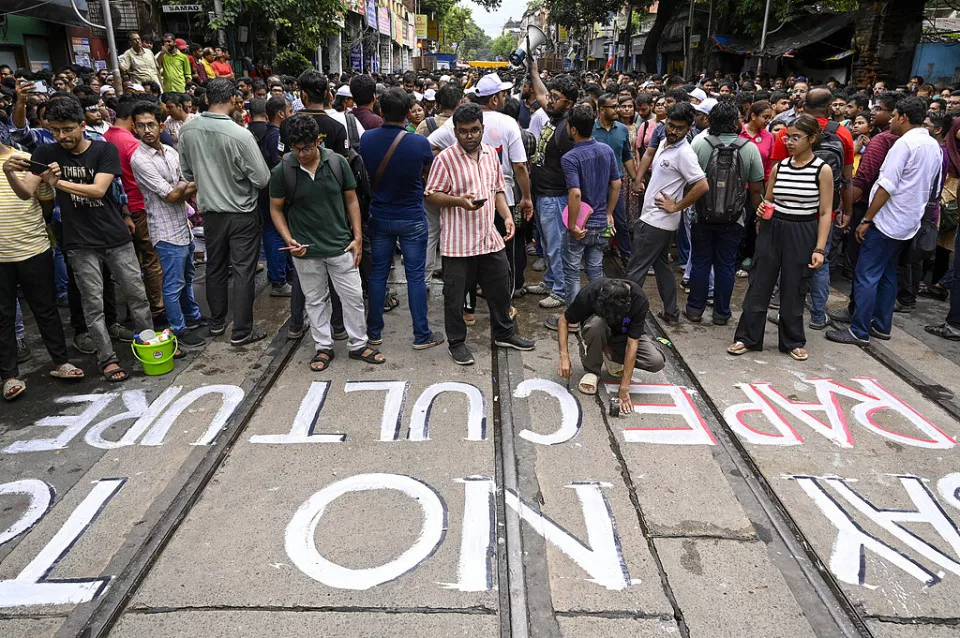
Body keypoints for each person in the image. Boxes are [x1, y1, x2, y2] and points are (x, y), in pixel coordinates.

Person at [21, 98, 153, 381]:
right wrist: (11, 173)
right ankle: (107, 358)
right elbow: (25, 191)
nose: (62, 137)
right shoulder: (45, 151)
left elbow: (98, 190)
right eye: (55, 130)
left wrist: (57, 183)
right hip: (79, 242)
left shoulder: (104, 150)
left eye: (68, 129)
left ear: (82, 125)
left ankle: (149, 347)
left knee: (137, 295)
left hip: (114, 237)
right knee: (92, 305)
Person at [269, 114, 383, 370]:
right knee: (315, 299)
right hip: (305, 250)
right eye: (296, 149)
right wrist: (289, 239)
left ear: (317, 141)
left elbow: (351, 200)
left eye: (307, 148)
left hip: (340, 245)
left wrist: (357, 238)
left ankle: (358, 344)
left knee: (352, 296)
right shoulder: (283, 171)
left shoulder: (336, 163)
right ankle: (323, 346)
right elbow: (275, 209)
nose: (301, 154)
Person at [826, 98, 942, 346]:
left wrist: (867, 218)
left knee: (866, 274)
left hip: (888, 219)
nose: (890, 120)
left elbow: (886, 186)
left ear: (902, 117)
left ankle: (859, 330)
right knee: (888, 273)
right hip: (909, 221)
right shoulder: (932, 145)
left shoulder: (904, 144)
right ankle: (881, 324)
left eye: (893, 116)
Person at [425, 102, 535, 365]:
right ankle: (457, 342)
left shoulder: (489, 154)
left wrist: (507, 217)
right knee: (455, 296)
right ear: (455, 131)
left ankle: (504, 332)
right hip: (458, 243)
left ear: (482, 129)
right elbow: (431, 195)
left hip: (488, 237)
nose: (469, 135)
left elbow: (498, 189)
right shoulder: (445, 159)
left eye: (474, 130)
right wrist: (459, 201)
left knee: (499, 287)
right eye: (463, 131)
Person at [728, 115, 833, 361]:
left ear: (812, 139)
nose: (789, 142)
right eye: (787, 137)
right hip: (772, 228)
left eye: (796, 138)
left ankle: (792, 340)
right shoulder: (779, 167)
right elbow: (769, 199)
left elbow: (826, 211)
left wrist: (819, 249)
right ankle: (747, 337)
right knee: (759, 282)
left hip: (803, 230)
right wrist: (764, 210)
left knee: (794, 286)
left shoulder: (822, 169)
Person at [179, 78, 271, 346]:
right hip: (241, 211)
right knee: (244, 270)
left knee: (215, 267)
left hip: (210, 212)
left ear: (207, 99)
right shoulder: (240, 134)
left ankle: (217, 323)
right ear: (233, 100)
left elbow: (187, 173)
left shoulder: (188, 130)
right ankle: (242, 331)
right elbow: (262, 178)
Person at [1, 134, 84, 399]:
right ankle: (9, 377)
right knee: (3, 317)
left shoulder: (26, 160)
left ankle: (61, 362)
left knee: (46, 309)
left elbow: (46, 202)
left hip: (33, 249)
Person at [360, 88, 444, 350]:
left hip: (380, 215)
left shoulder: (367, 139)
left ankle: (374, 332)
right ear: (408, 113)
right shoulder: (418, 142)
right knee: (415, 276)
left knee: (378, 275)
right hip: (411, 216)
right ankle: (421, 334)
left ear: (380, 111)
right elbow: (427, 173)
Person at [129, 101, 206, 349]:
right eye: (141, 126)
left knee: (187, 276)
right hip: (164, 230)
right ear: (135, 128)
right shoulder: (140, 159)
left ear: (160, 125)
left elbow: (187, 181)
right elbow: (171, 195)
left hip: (183, 226)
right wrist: (184, 188)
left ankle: (192, 317)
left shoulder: (171, 152)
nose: (147, 130)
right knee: (173, 285)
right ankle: (177, 327)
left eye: (151, 124)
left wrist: (183, 187)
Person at [626, 102, 709, 325]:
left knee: (635, 270)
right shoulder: (665, 140)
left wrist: (677, 205)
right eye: (671, 125)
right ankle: (671, 313)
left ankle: (625, 319)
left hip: (657, 221)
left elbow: (702, 185)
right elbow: (649, 157)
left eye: (679, 128)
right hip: (659, 221)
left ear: (689, 129)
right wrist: (638, 180)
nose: (673, 131)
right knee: (662, 267)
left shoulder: (685, 153)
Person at [685, 100, 764, 325]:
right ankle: (721, 313)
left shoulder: (700, 145)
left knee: (701, 262)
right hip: (734, 218)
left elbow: (689, 181)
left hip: (702, 215)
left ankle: (694, 309)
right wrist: (758, 215)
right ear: (735, 122)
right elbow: (756, 188)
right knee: (726, 265)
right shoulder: (749, 148)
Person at [544, 103, 620, 332]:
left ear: (572, 128)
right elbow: (616, 184)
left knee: (572, 272)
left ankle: (573, 320)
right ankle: (596, 317)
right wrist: (608, 213)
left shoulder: (570, 157)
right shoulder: (606, 150)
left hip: (581, 225)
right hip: (600, 224)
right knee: (596, 271)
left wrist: (572, 225)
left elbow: (575, 192)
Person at [557, 277, 664, 403]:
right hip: (599, 329)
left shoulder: (639, 301)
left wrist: (624, 387)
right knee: (596, 324)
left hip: (623, 335)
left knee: (655, 361)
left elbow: (632, 344)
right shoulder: (591, 292)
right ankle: (593, 370)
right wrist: (564, 356)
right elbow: (563, 321)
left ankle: (610, 355)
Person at [526, 60, 578, 310]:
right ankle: (549, 282)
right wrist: (534, 72)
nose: (549, 100)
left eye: (556, 97)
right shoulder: (554, 116)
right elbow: (540, 92)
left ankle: (560, 291)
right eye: (551, 96)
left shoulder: (568, 128)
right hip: (543, 194)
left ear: (568, 103)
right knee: (546, 244)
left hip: (555, 197)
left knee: (557, 246)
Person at [593, 93, 637, 261]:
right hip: (594, 185)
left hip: (615, 185)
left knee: (620, 222)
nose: (618, 110)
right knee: (591, 220)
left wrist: (635, 179)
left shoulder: (622, 129)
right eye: (614, 107)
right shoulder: (590, 130)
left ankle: (627, 258)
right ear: (602, 110)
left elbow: (626, 156)